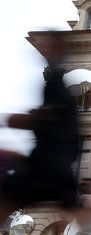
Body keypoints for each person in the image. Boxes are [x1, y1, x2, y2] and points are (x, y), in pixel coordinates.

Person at [0, 32, 79, 223]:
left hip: (45, 164)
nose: (44, 49)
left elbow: (50, 119)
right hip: (60, 169)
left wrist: (12, 119)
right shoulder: (56, 80)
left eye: (50, 45)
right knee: (90, 232)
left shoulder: (55, 82)